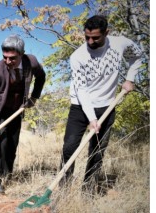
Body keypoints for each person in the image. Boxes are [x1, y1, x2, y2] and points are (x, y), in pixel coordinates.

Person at [60, 15, 143, 191]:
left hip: (107, 105)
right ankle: (64, 190)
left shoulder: (120, 43)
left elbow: (136, 57)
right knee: (70, 147)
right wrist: (91, 118)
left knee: (97, 151)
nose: (90, 41)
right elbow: (81, 90)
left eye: (95, 37)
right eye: (87, 37)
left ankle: (88, 190)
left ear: (107, 32)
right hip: (80, 106)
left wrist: (130, 79)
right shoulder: (78, 57)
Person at [0, 34, 46, 193]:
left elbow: (41, 77)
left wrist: (34, 97)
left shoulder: (31, 62)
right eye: (5, 57)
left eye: (12, 58)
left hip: (17, 111)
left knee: (12, 145)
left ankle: (7, 176)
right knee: (1, 145)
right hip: (0, 112)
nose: (8, 61)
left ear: (22, 54)